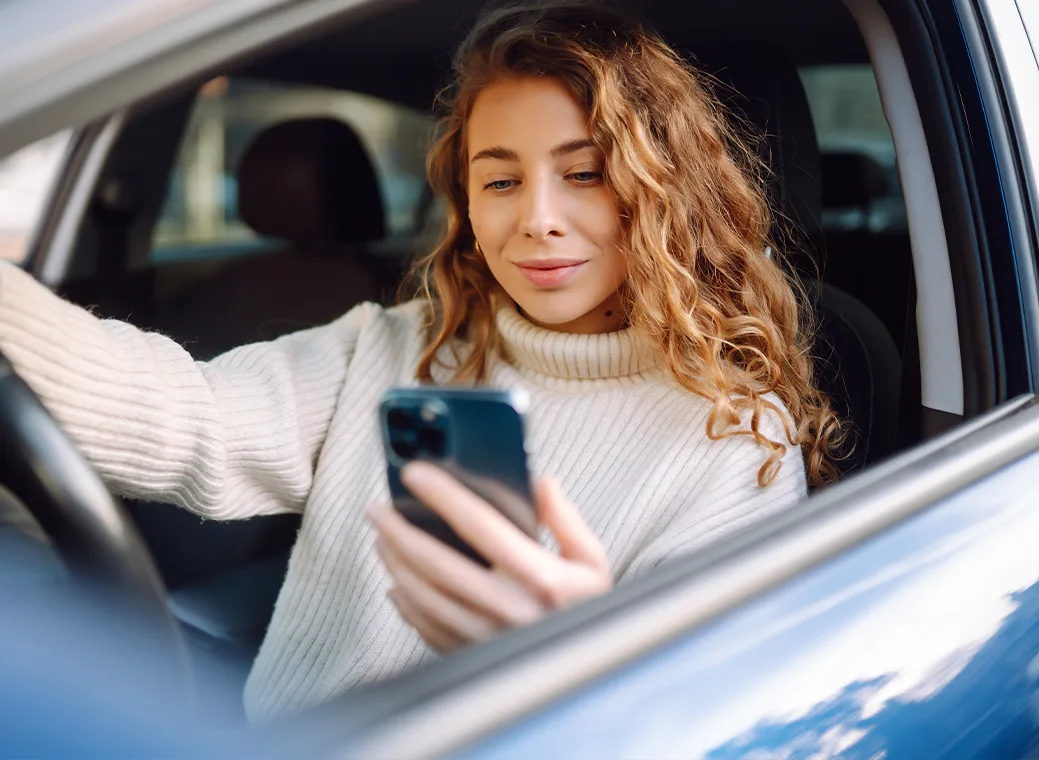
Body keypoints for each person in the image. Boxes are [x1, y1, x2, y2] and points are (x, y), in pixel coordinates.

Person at [0, 0, 842, 722]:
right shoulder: (404, 343)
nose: (538, 219)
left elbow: (710, 719)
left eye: (584, 173)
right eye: (500, 181)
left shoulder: (734, 442)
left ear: (662, 190)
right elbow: (187, 417)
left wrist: (579, 662)